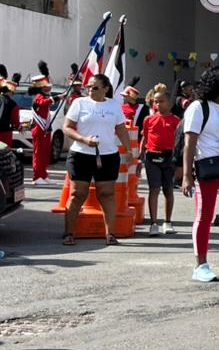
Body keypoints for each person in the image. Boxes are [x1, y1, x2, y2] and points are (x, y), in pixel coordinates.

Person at [61, 74, 133, 246]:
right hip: (80, 154)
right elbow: (67, 127)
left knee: (106, 194)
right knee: (77, 194)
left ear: (105, 89)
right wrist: (84, 139)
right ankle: (69, 233)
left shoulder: (113, 105)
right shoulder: (79, 103)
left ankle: (110, 234)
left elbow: (120, 128)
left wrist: (129, 149)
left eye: (94, 87)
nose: (90, 90)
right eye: (88, 87)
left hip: (108, 155)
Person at [181, 64, 219, 283]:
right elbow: (189, 143)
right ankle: (200, 265)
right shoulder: (198, 107)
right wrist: (187, 175)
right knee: (205, 215)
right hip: (207, 167)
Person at [140, 87, 180, 235]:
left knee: (168, 190)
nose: (157, 104)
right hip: (152, 157)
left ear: (169, 103)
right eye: (155, 102)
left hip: (169, 158)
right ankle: (153, 223)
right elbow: (145, 138)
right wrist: (140, 156)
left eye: (161, 101)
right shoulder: (148, 119)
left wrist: (180, 163)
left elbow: (180, 142)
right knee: (154, 189)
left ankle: (167, 222)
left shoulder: (176, 121)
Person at [28, 63, 57, 185]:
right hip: (39, 128)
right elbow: (43, 103)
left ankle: (43, 174)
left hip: (45, 128)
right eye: (46, 86)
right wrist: (56, 98)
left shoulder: (45, 96)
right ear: (41, 87)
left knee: (45, 153)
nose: (49, 88)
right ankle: (37, 176)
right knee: (38, 153)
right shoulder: (39, 96)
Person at [0, 76, 19, 146]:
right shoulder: (13, 104)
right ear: (11, 91)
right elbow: (15, 121)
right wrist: (19, 126)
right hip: (5, 133)